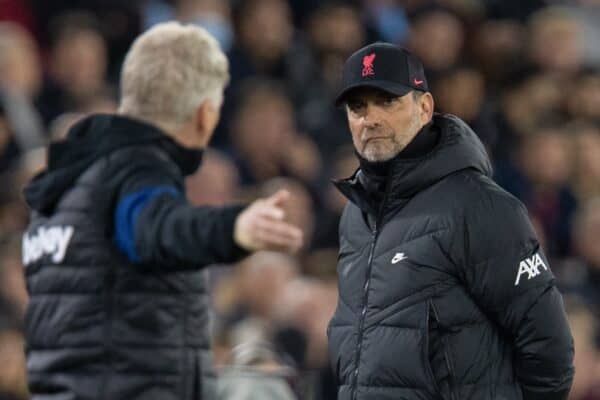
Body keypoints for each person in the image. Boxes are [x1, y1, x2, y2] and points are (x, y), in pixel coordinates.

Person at [21, 22, 303, 400]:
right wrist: (233, 227)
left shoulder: (67, 188)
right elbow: (157, 230)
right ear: (205, 114)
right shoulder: (137, 170)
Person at [326, 42, 574, 400]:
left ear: (425, 107)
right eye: (358, 106)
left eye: (387, 101)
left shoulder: (478, 205)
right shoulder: (356, 215)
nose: (371, 118)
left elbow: (549, 347)